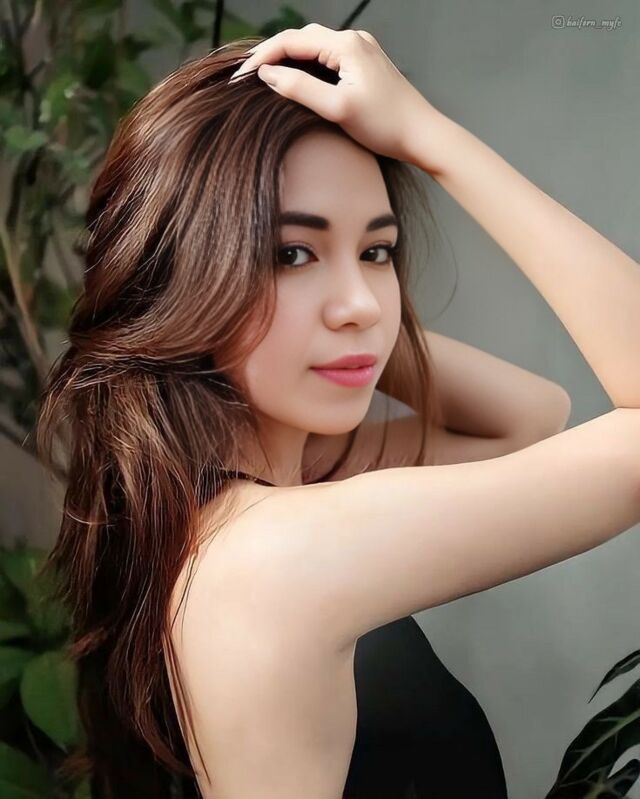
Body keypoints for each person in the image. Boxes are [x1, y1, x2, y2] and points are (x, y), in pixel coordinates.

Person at [35, 23, 640, 799]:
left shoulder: (225, 500)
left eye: (377, 251)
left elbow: (529, 414)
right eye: (291, 252)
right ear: (183, 282)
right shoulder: (276, 554)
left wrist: (323, 318)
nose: (362, 302)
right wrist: (431, 138)